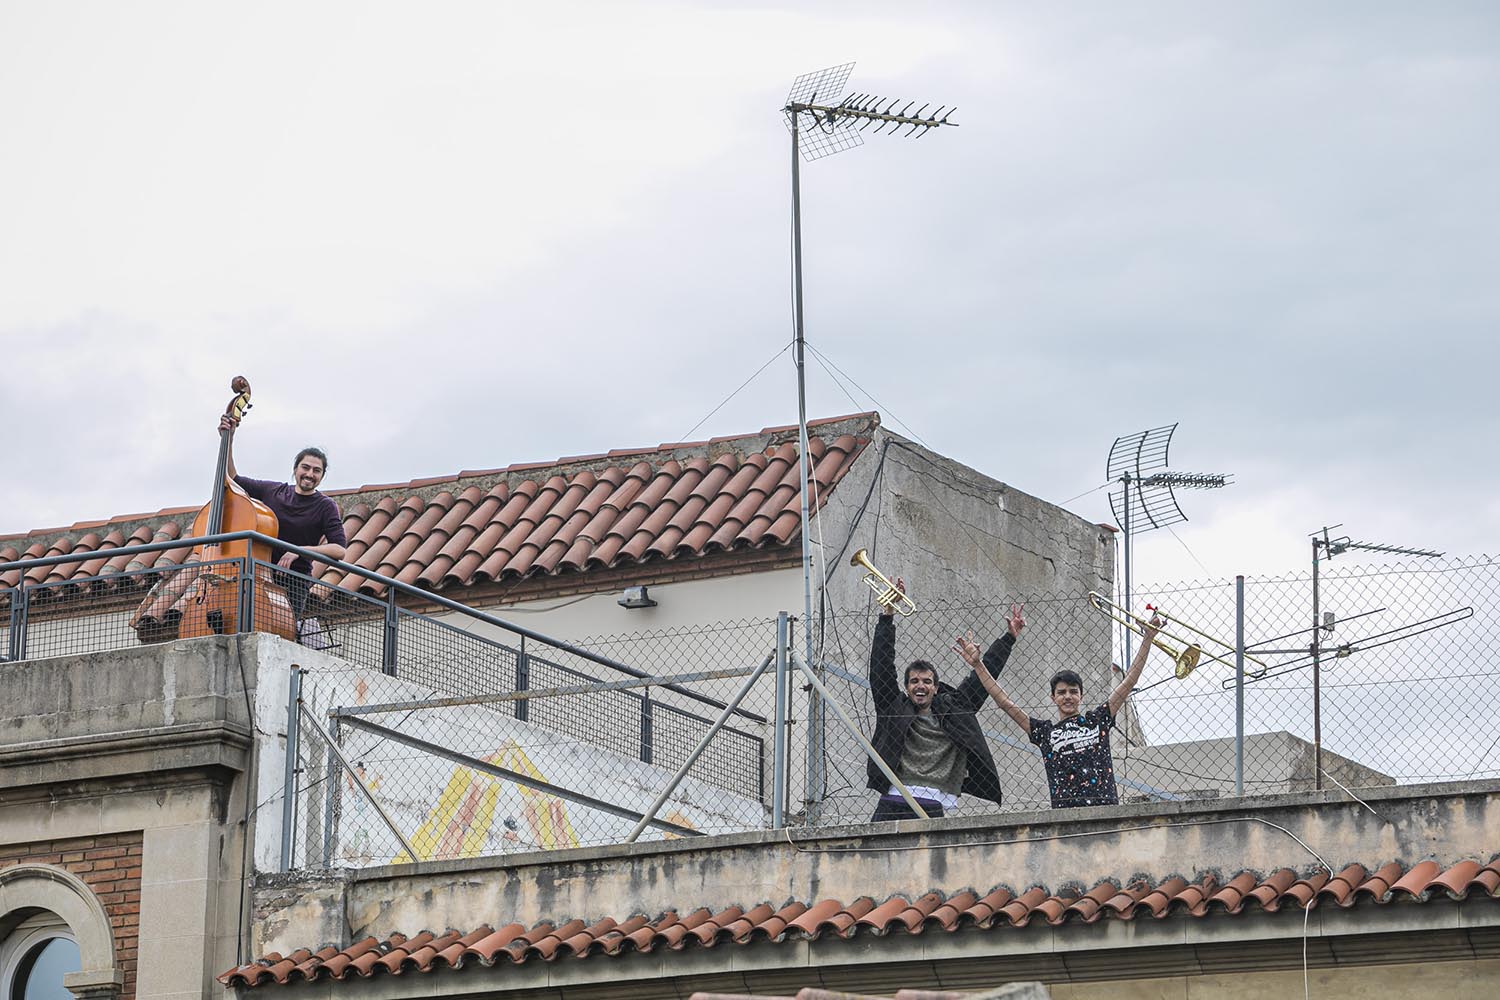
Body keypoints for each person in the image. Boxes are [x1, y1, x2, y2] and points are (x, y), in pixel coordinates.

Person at [133, 416, 347, 643]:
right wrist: (229, 438)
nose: (310, 474)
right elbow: (232, 479)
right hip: (256, 574)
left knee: (280, 635)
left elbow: (339, 550)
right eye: (305, 467)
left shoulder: (325, 506)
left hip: (293, 581)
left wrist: (298, 551)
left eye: (316, 470)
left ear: (322, 476)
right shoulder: (273, 491)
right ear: (295, 469)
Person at [954, 611, 1162, 808]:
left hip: (1105, 812)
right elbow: (1004, 702)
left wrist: (1148, 639)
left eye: (1073, 692)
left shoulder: (1098, 720)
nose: (1068, 696)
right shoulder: (1045, 732)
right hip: (1065, 818)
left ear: (1081, 696)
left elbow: (1128, 682)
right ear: (1053, 698)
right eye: (1062, 692)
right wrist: (978, 665)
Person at [866, 578, 1025, 821]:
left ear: (936, 688)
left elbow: (982, 678)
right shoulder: (894, 708)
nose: (920, 686)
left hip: (933, 803)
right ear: (906, 688)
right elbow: (881, 668)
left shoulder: (954, 710)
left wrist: (1008, 639)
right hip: (893, 799)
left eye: (927, 681)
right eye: (914, 681)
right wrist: (887, 614)